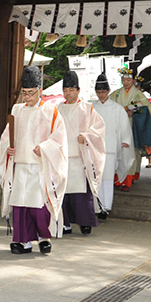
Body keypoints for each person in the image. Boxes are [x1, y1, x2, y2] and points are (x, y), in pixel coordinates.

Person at [0, 66, 67, 256]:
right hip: (20, 164)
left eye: (30, 93)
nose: (26, 97)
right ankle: (23, 241)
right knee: (20, 205)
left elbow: (59, 139)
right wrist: (8, 148)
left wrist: (44, 148)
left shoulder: (50, 111)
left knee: (39, 206)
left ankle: (44, 237)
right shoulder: (17, 109)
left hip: (39, 165)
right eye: (24, 93)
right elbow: (6, 135)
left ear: (40, 91)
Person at [57, 71, 105, 235]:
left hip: (79, 157)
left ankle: (85, 222)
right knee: (63, 194)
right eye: (65, 90)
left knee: (81, 195)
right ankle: (65, 223)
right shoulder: (57, 109)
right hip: (62, 157)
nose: (67, 93)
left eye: (71, 89)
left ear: (78, 90)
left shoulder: (87, 108)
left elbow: (99, 129)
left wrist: (86, 137)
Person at [91, 74, 133, 220]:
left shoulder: (117, 109)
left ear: (108, 91)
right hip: (94, 149)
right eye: (98, 92)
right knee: (95, 178)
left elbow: (124, 126)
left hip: (109, 148)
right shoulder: (91, 108)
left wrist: (125, 139)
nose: (101, 94)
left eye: (103, 92)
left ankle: (105, 207)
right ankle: (95, 206)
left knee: (107, 178)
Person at [108, 67, 151, 190]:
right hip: (119, 126)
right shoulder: (117, 93)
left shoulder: (138, 94)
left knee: (131, 153)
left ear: (133, 80)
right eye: (124, 79)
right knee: (119, 152)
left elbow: (146, 106)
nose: (126, 82)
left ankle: (128, 180)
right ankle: (118, 179)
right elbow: (108, 104)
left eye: (128, 80)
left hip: (133, 125)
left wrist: (131, 110)